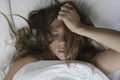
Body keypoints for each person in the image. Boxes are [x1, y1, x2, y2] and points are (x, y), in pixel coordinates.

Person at [3, 1, 120, 80]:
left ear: (80, 37)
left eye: (71, 35)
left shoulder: (93, 63)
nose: (63, 41)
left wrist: (80, 28)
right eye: (54, 34)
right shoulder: (29, 62)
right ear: (45, 36)